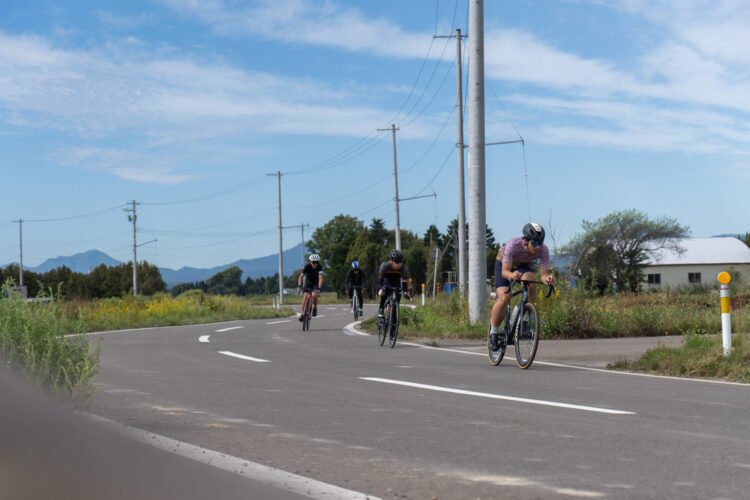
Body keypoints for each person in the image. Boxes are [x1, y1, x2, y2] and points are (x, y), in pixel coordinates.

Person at [489, 223, 555, 348]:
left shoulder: (543, 250)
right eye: (535, 243)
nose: (538, 247)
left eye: (540, 243)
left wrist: (548, 278)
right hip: (504, 265)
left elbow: (543, 274)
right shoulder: (513, 245)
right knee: (504, 298)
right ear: (525, 241)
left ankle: (524, 319)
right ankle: (494, 331)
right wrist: (511, 275)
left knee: (531, 282)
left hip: (523, 265)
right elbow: (505, 271)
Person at [377, 249, 413, 318]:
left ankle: (393, 323)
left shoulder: (403, 268)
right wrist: (380, 289)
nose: (399, 264)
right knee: (385, 290)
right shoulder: (385, 266)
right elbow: (380, 280)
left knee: (397, 297)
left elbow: (406, 280)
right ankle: (381, 308)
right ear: (391, 261)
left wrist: (406, 291)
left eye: (401, 262)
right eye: (397, 261)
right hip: (386, 280)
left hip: (396, 282)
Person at [297, 254, 323, 320]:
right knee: (305, 296)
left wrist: (319, 288)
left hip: (315, 283)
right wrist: (299, 285)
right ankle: (302, 313)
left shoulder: (319, 267)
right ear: (310, 262)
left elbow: (320, 278)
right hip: (308, 282)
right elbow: (301, 276)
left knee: (314, 295)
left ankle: (314, 307)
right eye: (313, 262)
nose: (315, 264)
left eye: (317, 262)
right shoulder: (307, 266)